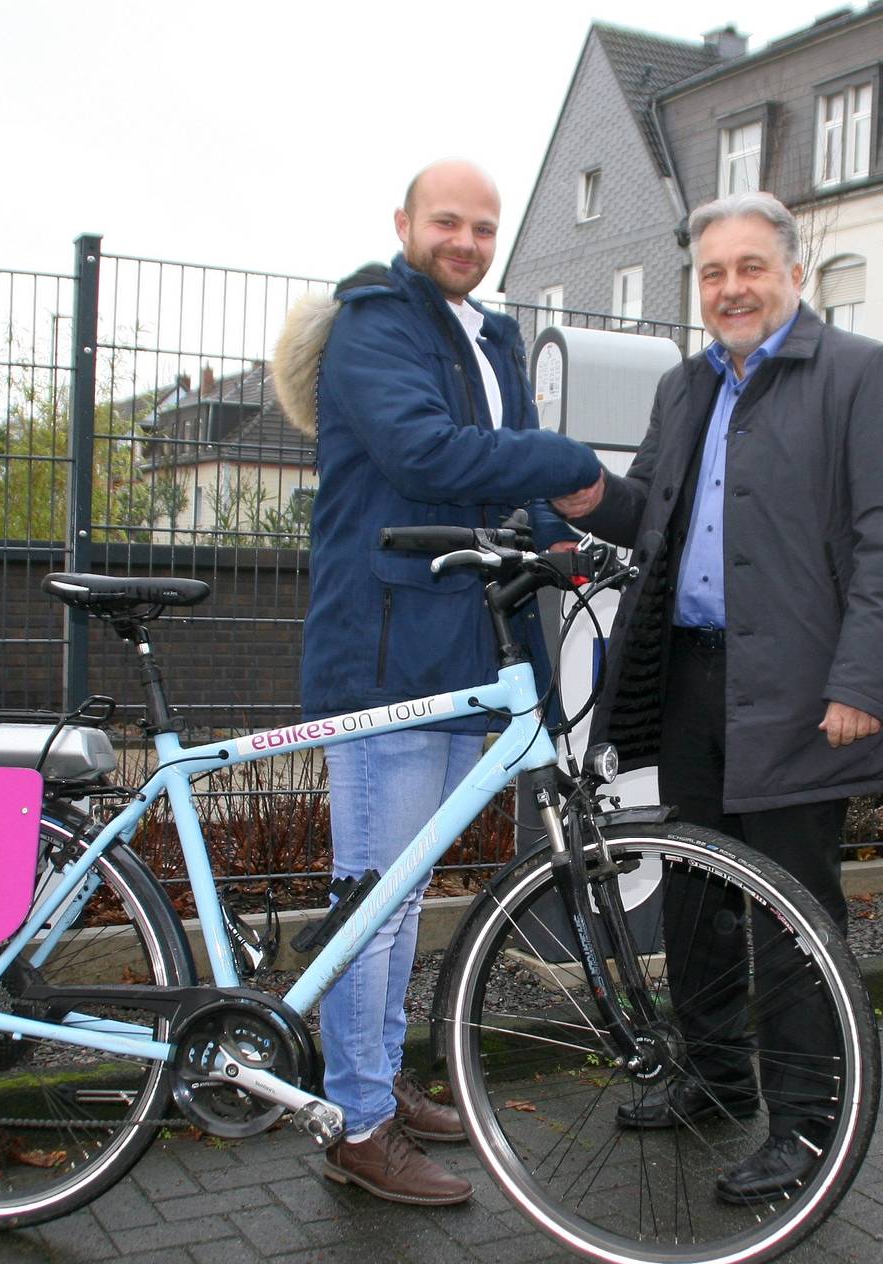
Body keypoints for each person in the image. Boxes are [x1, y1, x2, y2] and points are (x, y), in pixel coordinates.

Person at [551, 190, 883, 1203]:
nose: (731, 288)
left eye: (750, 267)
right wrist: (588, 498)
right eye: (713, 273)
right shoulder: (685, 388)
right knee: (696, 892)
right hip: (691, 675)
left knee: (790, 915)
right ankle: (712, 1080)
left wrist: (860, 679)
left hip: (804, 691)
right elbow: (654, 518)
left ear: (795, 273)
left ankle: (806, 1128)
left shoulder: (863, 375)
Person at [271, 159, 602, 1206]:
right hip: (386, 656)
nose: (466, 239)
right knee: (371, 894)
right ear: (405, 222)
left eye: (484, 226)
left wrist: (581, 535)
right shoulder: (376, 320)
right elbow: (426, 452)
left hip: (469, 653)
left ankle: (379, 1075)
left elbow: (502, 491)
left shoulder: (491, 336)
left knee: (402, 893)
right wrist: (564, 458)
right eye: (447, 221)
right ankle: (355, 1120)